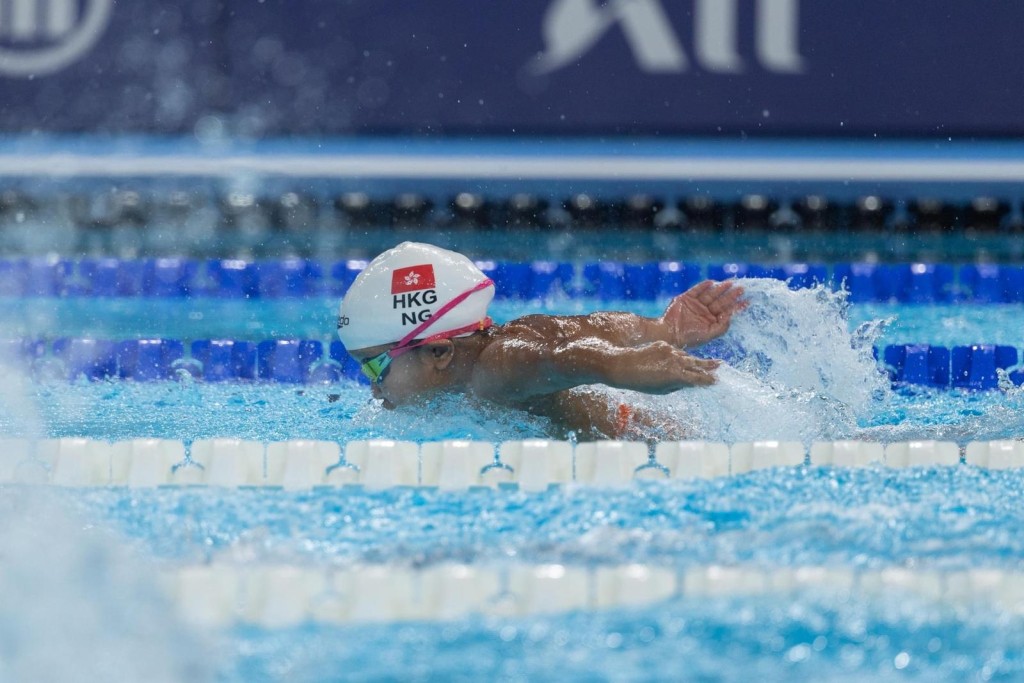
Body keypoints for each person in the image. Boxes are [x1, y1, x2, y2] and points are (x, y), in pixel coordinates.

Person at [338, 242, 746, 439]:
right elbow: (595, 326)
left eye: (376, 366)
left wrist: (621, 366)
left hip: (647, 447)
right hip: (663, 433)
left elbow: (562, 357)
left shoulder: (496, 369)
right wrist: (665, 329)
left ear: (439, 352)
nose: (374, 388)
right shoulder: (513, 334)